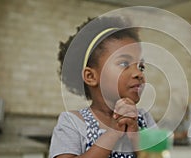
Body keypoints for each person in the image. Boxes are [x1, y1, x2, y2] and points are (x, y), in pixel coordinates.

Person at [49, 16, 157, 158]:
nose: (138, 73)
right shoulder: (72, 122)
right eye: (124, 63)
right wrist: (112, 134)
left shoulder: (145, 119)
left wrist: (135, 135)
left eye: (141, 67)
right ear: (91, 76)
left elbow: (158, 155)